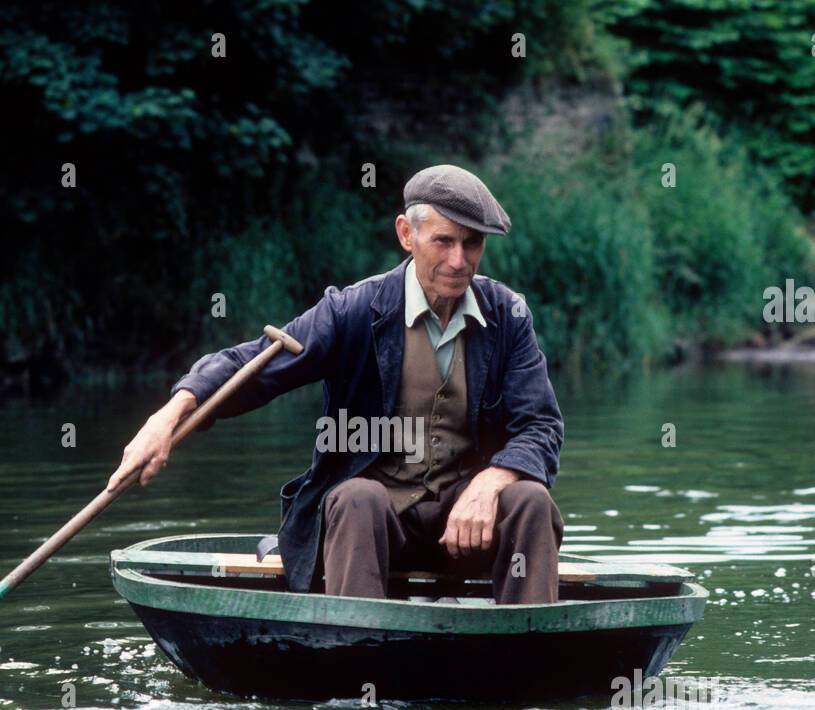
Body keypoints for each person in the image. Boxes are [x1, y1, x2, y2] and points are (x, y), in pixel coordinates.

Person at [108, 164, 565, 603]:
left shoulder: (507, 315)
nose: (458, 260)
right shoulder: (353, 311)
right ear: (406, 234)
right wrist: (168, 416)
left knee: (529, 499)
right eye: (443, 241)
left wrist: (491, 482)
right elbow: (252, 367)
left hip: (467, 531)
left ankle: (527, 653)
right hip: (373, 530)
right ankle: (359, 657)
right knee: (357, 497)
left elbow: (541, 426)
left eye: (472, 244)